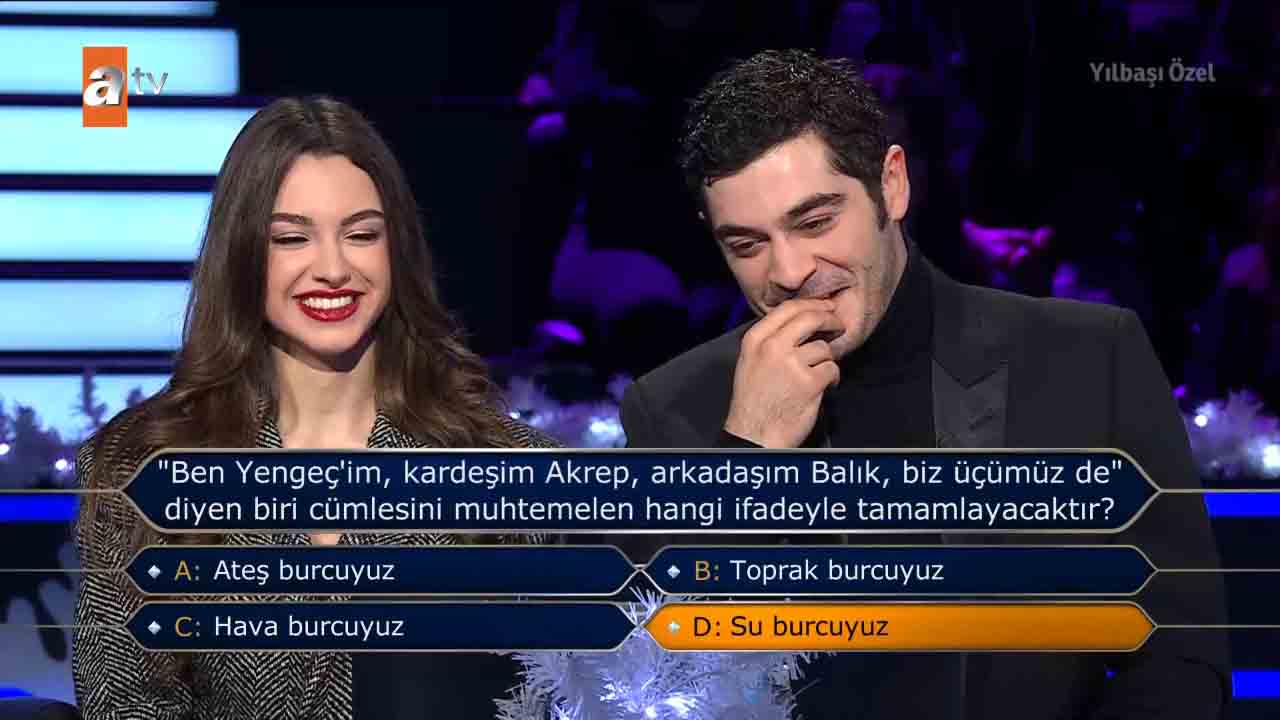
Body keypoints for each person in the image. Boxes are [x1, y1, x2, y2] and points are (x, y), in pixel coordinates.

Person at [617, 50, 1228, 719]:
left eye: (815, 222)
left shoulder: (1085, 357)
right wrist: (748, 460)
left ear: (892, 185)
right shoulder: (674, 407)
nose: (788, 272)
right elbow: (654, 686)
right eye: (747, 245)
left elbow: (1180, 657)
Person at [72, 96, 555, 719]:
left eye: (361, 234)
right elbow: (129, 704)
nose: (333, 268)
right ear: (243, 253)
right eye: (292, 238)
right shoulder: (136, 466)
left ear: (396, 249)